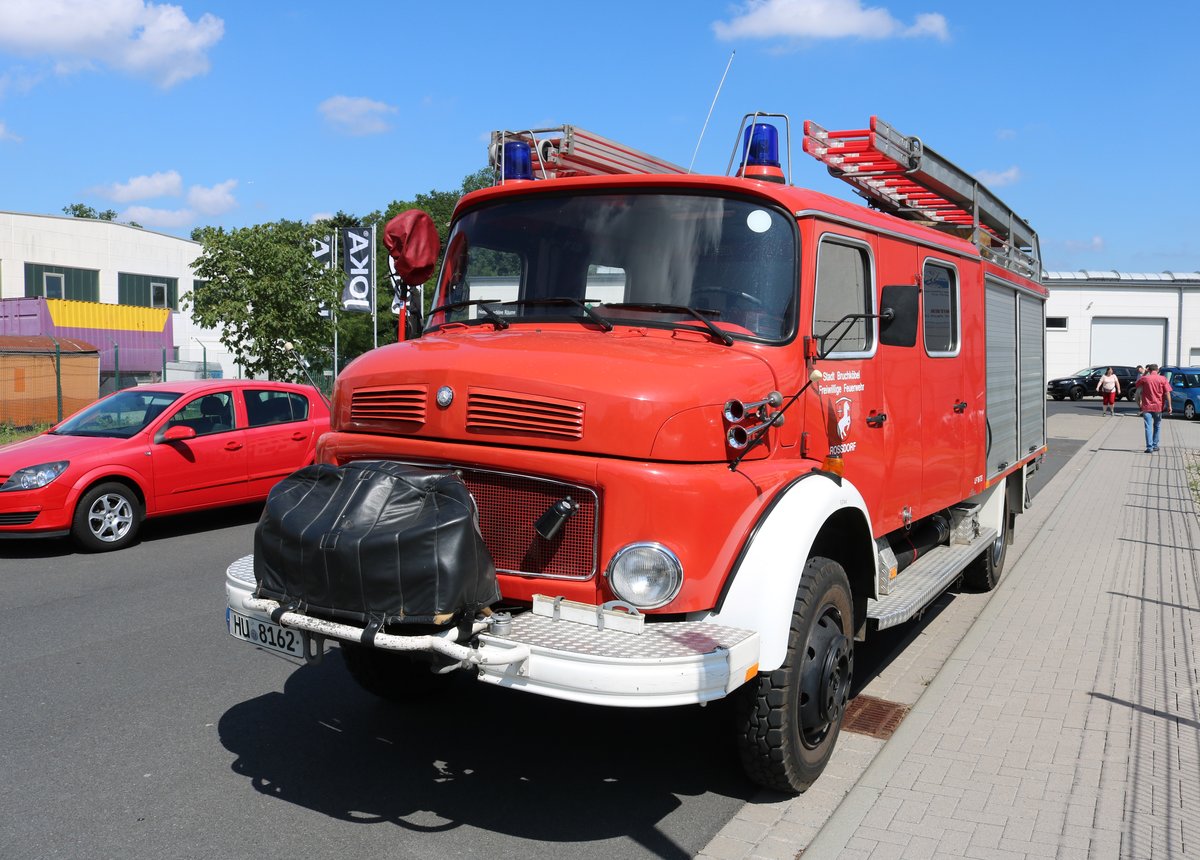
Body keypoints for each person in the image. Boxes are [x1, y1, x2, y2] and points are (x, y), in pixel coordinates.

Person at [1133, 364, 1172, 452]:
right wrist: (1170, 405)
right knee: (1157, 426)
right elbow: (1167, 392)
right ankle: (1155, 445)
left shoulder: (1145, 378)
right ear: (1157, 370)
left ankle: (1149, 447)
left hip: (1147, 406)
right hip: (1158, 407)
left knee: (1148, 427)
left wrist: (1145, 373)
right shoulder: (1163, 379)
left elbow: (1137, 384)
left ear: (1149, 370)